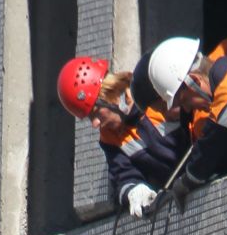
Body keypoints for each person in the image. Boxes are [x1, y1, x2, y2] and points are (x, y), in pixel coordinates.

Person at [131, 34, 227, 191]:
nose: (187, 109)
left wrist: (186, 180)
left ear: (195, 82)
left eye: (183, 101)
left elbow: (208, 152)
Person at [56, 54, 190, 217]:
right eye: (89, 119)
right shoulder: (111, 138)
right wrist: (133, 190)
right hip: (185, 195)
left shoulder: (154, 94)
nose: (96, 123)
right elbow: (123, 175)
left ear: (109, 95)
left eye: (95, 113)